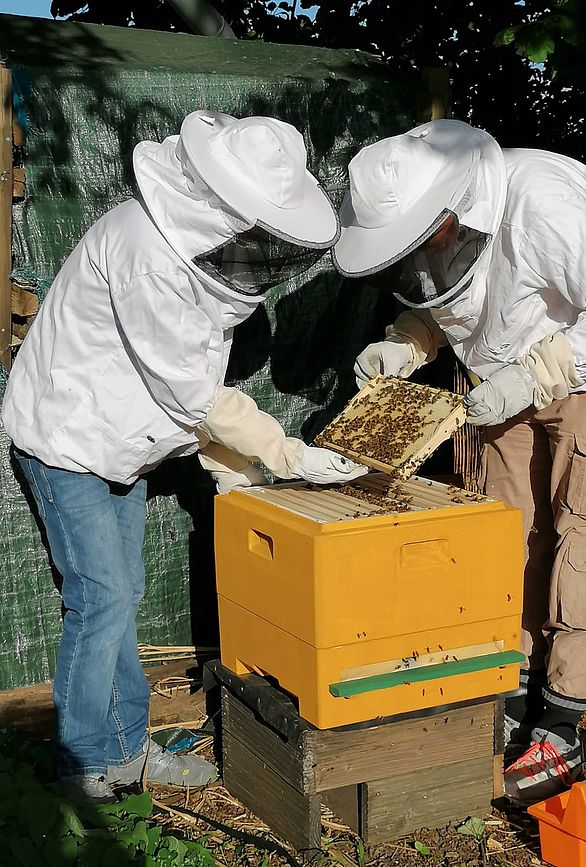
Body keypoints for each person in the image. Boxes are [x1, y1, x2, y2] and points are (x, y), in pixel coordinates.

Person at [1, 110, 366, 803]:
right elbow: (193, 392)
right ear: (215, 205)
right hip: (68, 437)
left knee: (124, 593)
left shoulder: (197, 263)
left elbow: (188, 385)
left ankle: (127, 752)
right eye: (252, 229)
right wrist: (279, 452)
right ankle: (82, 768)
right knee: (99, 599)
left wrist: (236, 472)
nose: (257, 248)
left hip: (125, 443)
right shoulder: (146, 253)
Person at [330, 118, 586, 805]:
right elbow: (446, 298)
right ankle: (510, 684)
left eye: (428, 235)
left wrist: (545, 371)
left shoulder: (547, 202)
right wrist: (408, 344)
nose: (423, 250)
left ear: (458, 203)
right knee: (507, 534)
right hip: (500, 380)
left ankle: (563, 719)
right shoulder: (438, 226)